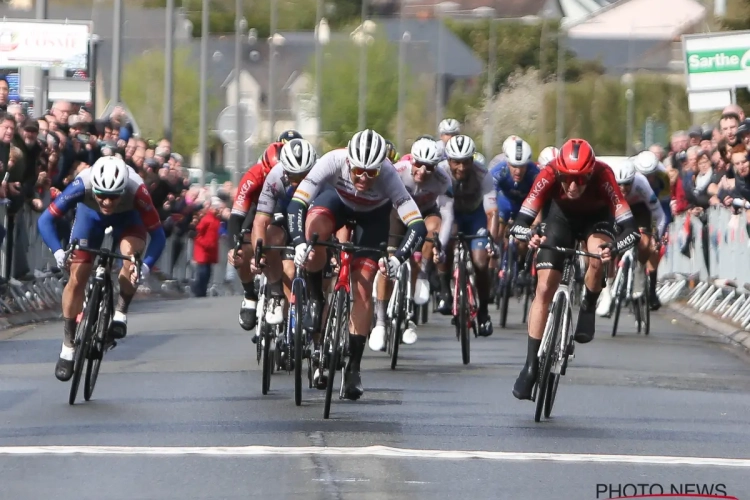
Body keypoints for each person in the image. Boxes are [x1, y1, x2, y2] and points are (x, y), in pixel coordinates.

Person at [287, 129, 426, 399]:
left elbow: (417, 225)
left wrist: (399, 258)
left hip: (373, 218)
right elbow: (296, 204)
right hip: (335, 203)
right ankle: (316, 298)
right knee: (313, 236)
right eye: (358, 171)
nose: (363, 178)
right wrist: (299, 243)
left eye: (370, 173)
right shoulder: (332, 161)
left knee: (362, 290)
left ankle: (353, 368)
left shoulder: (388, 175)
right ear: (348, 162)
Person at [509, 138, 640, 400]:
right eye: (566, 177)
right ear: (558, 171)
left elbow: (631, 230)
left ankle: (589, 305)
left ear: (591, 173)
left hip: (596, 219)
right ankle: (530, 365)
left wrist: (613, 248)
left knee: (595, 255)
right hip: (560, 219)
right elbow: (520, 222)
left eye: (580, 179)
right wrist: (529, 234)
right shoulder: (547, 174)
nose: (572, 185)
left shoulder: (604, 175)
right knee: (544, 288)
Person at [37, 156, 166, 381]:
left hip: (128, 219)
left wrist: (144, 268)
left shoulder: (137, 190)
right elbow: (45, 220)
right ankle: (68, 347)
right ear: (93, 189)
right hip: (90, 218)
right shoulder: (82, 184)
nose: (106, 202)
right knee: (77, 278)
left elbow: (159, 236)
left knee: (130, 258)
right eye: (101, 196)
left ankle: (120, 312)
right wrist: (58, 252)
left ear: (122, 190)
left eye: (113, 197)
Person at [371, 137, 452, 351]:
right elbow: (378, 200)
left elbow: (447, 212)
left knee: (433, 228)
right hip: (398, 215)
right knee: (388, 265)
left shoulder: (443, 180)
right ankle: (380, 321)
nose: (423, 171)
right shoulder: (398, 170)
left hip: (425, 215)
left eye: (430, 167)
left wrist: (439, 245)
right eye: (418, 164)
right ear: (411, 160)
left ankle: (422, 276)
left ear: (437, 167)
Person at [244, 139, 318, 334]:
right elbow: (260, 221)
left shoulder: (322, 176)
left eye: (303, 176)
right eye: (293, 176)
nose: (298, 182)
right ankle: (276, 293)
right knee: (270, 238)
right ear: (284, 170)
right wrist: (259, 254)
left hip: (309, 215)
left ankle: (312, 297)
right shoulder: (275, 177)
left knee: (302, 261)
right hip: (282, 214)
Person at [437, 134, 498, 337]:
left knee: (481, 263)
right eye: (456, 162)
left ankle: (483, 313)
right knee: (445, 242)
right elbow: (442, 212)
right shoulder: (442, 173)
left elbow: (492, 212)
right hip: (450, 215)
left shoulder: (483, 174)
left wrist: (492, 240)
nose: (461, 167)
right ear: (448, 160)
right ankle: (445, 291)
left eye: (466, 162)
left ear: (473, 160)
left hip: (475, 217)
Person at [596, 159, 667, 316]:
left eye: (627, 184)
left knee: (644, 242)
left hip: (639, 209)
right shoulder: (607, 185)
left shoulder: (642, 184)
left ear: (633, 180)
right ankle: (607, 291)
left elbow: (660, 215)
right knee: (609, 246)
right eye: (619, 184)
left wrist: (657, 236)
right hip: (616, 209)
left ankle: (640, 271)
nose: (623, 188)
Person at [227, 140, 282, 331]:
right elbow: (235, 217)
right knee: (242, 249)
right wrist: (234, 248)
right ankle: (250, 295)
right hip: (256, 209)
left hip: (282, 209)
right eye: (269, 174)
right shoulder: (254, 175)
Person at [632, 150, 671, 310]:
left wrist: (659, 234)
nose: (647, 180)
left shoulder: (663, 176)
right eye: (644, 176)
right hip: (632, 202)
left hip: (652, 205)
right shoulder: (630, 172)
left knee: (652, 248)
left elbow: (664, 208)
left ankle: (652, 291)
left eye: (651, 176)